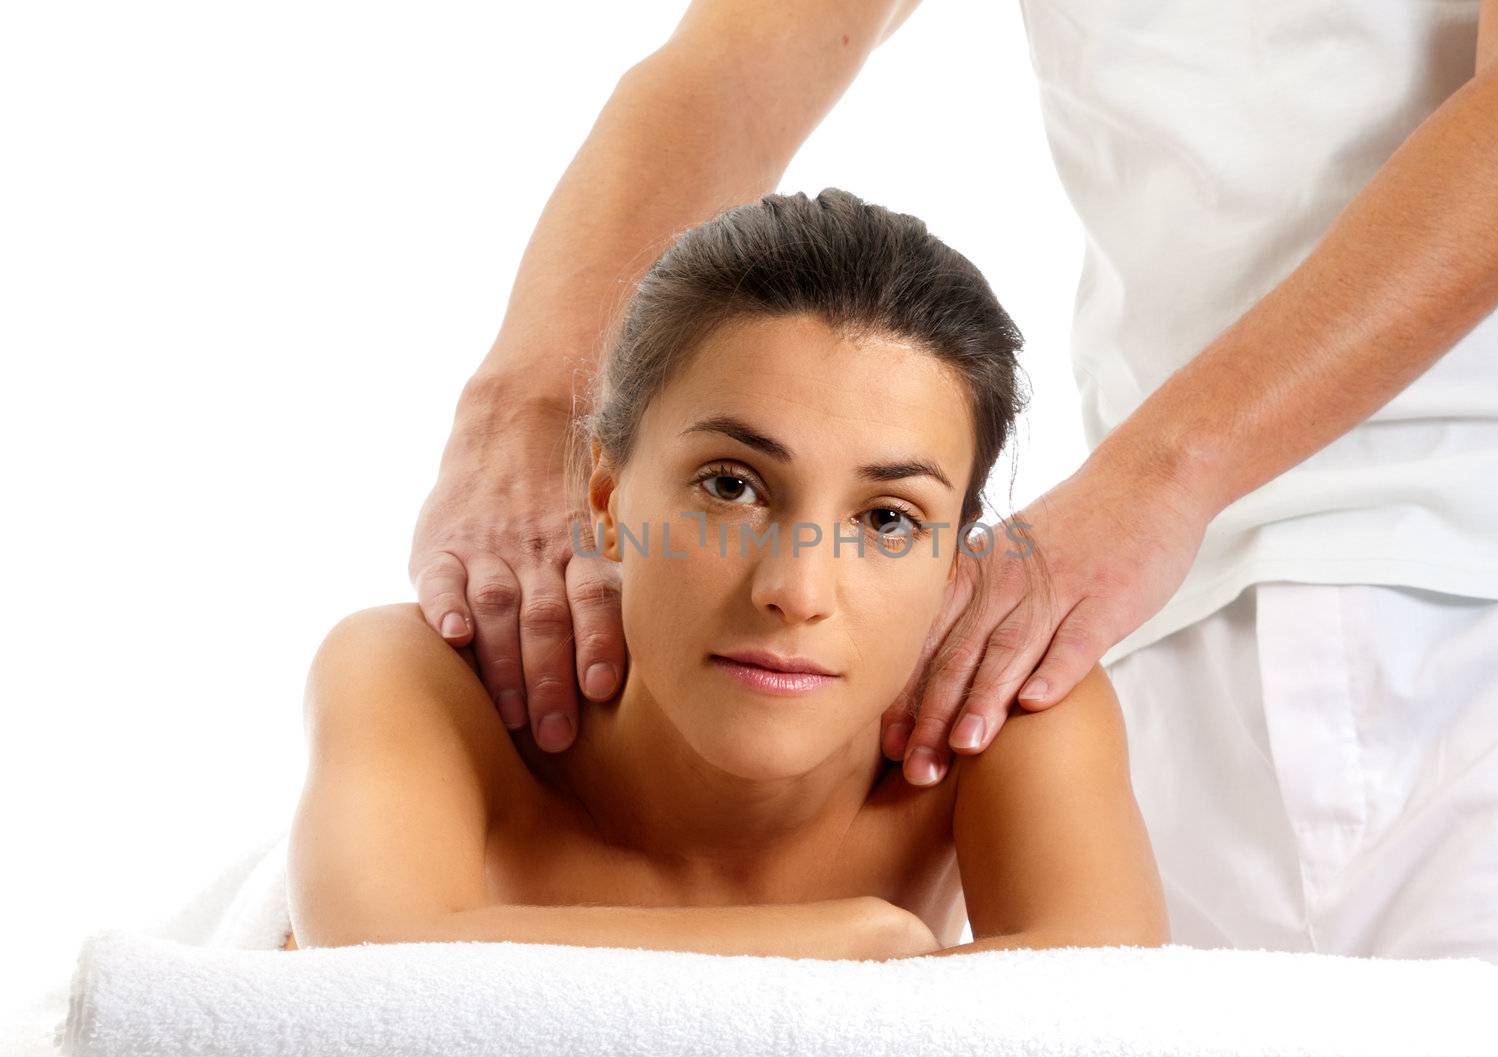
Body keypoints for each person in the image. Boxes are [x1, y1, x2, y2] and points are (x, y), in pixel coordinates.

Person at [407, 2, 1498, 1057]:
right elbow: (743, 49)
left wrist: (1157, 483)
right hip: (1154, 624)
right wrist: (525, 397)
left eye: (882, 514)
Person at [285, 190, 1169, 959]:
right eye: (732, 485)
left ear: (953, 562)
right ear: (605, 496)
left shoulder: (998, 706)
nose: (796, 589)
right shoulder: (426, 675)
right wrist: (862, 944)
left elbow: (1104, 1010)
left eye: (888, 519)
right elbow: (370, 970)